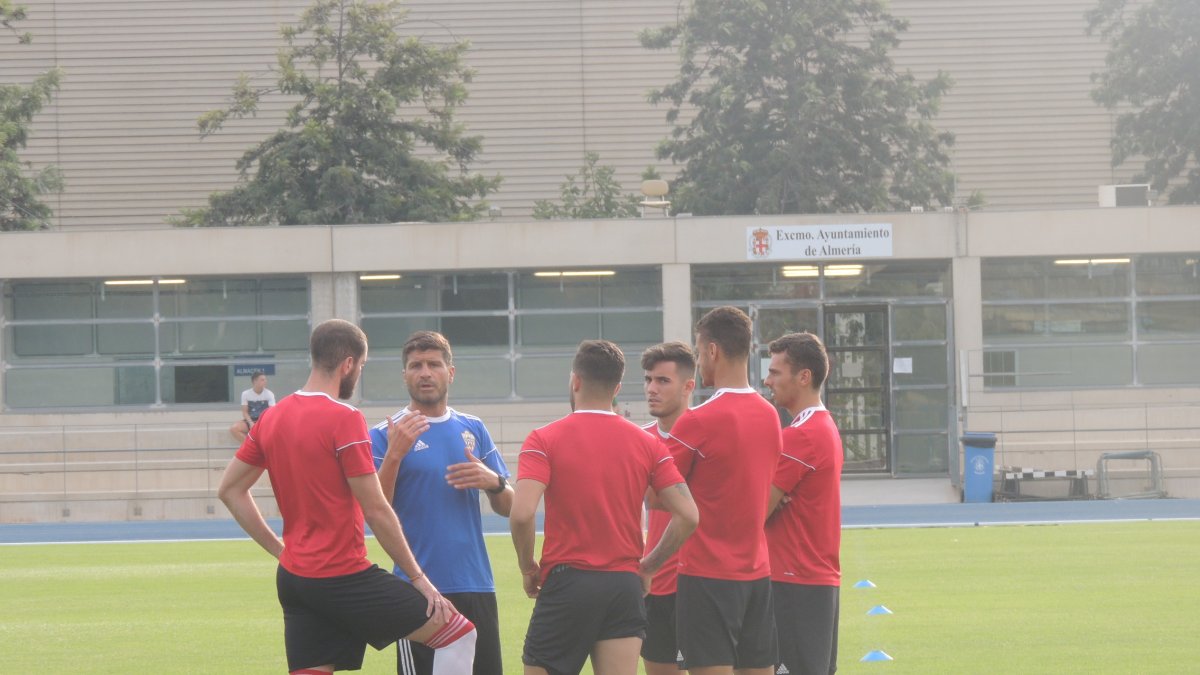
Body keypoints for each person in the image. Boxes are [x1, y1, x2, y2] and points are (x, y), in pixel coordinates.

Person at [217, 319, 477, 675]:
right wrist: (420, 580)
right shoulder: (344, 417)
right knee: (458, 633)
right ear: (349, 364)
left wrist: (282, 551)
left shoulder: (272, 417)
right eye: (363, 366)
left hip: (295, 580)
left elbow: (229, 491)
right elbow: (376, 509)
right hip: (344, 575)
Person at [511, 339, 699, 675]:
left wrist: (528, 566)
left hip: (567, 582)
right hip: (623, 586)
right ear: (616, 388)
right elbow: (688, 514)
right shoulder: (649, 444)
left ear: (576, 381)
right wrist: (650, 566)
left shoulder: (543, 438)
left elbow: (522, 513)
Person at [369, 331, 512, 675]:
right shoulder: (383, 434)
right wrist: (394, 456)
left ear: (451, 372)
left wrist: (494, 482)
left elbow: (509, 507)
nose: (425, 372)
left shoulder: (473, 428)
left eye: (434, 364)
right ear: (404, 375)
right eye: (415, 365)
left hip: (476, 583)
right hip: (419, 589)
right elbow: (374, 509)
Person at [666, 306, 782, 675]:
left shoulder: (697, 420)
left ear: (712, 351)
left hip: (707, 576)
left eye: (699, 354)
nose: (699, 363)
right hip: (757, 575)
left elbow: (657, 492)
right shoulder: (770, 416)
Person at [762, 332, 843, 675]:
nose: (767, 380)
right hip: (812, 580)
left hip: (794, 580)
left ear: (804, 376)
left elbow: (754, 510)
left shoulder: (801, 436)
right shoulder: (821, 426)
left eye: (776, 372)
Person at [638, 341, 697, 675]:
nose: (651, 389)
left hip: (704, 581)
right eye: (648, 380)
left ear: (689, 386)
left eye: (662, 381)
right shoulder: (638, 440)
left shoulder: (709, 436)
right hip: (656, 580)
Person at [229, 370, 275, 444]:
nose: (265, 381)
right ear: (255, 381)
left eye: (265, 379)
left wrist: (261, 424)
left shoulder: (269, 394)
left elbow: (271, 412)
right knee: (234, 429)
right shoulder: (245, 394)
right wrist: (251, 423)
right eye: (262, 380)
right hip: (250, 420)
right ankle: (251, 445)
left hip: (264, 421)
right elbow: (245, 412)